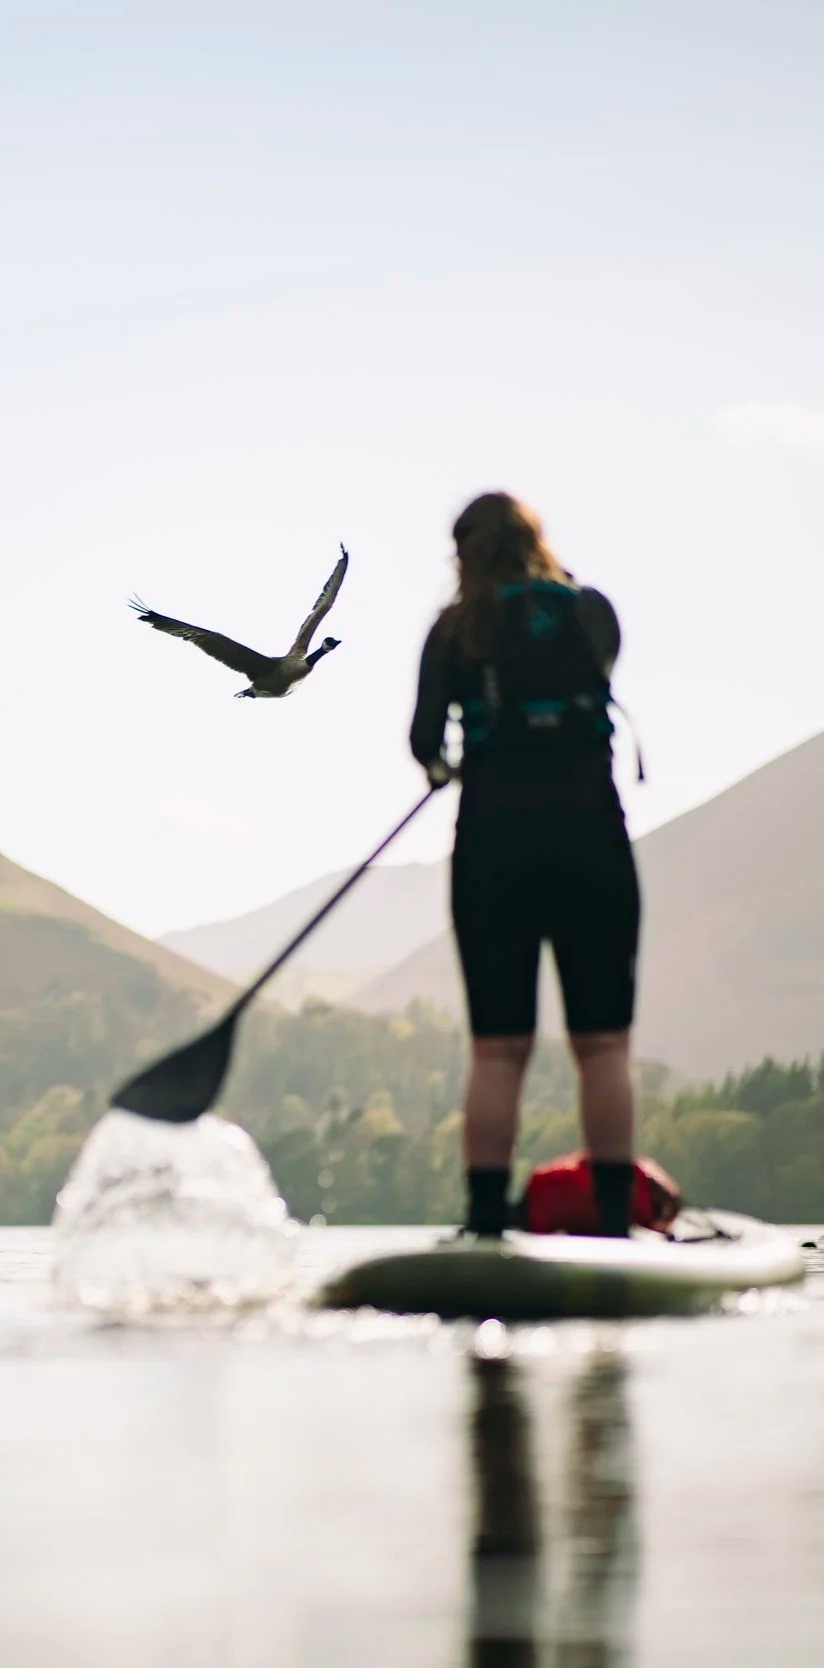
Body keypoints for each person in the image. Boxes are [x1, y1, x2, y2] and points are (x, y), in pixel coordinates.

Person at [410, 492, 639, 1238]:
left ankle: (482, 1226)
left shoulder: (451, 632)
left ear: (464, 556)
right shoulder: (590, 611)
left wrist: (445, 769)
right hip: (591, 841)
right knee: (603, 1044)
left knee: (498, 1049)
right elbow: (599, 670)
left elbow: (424, 742)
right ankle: (612, 1224)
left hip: (492, 848)